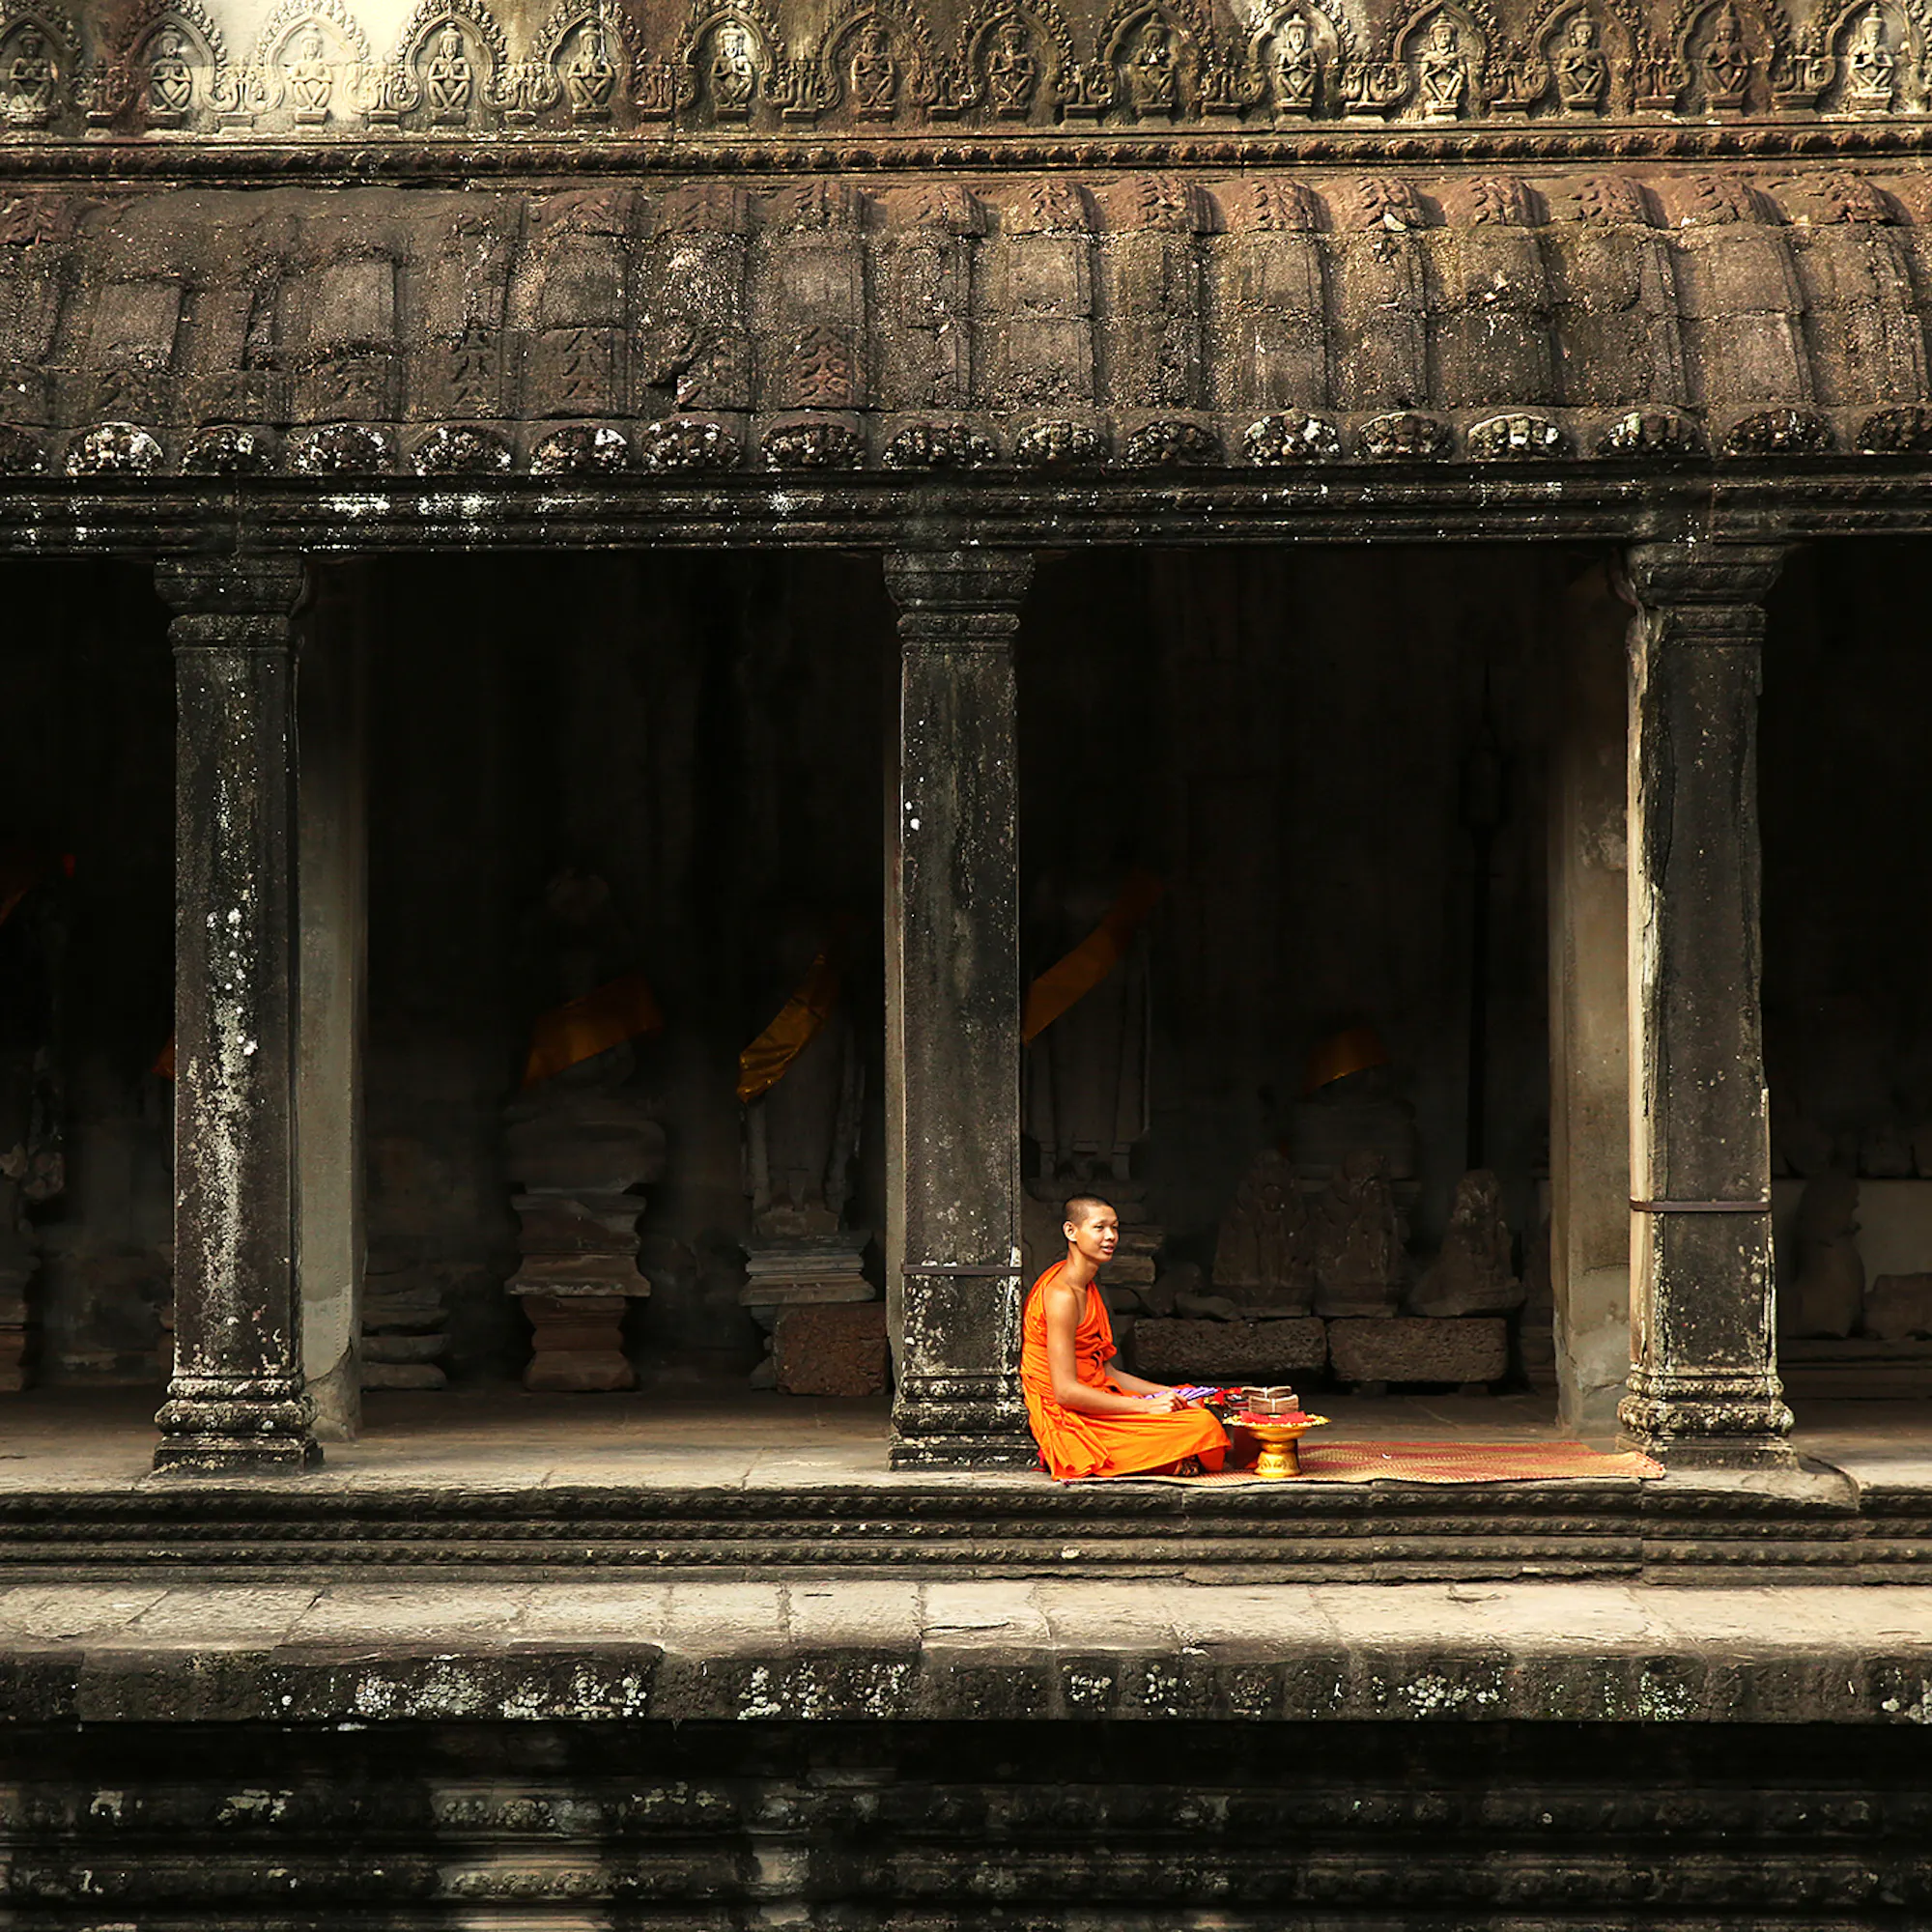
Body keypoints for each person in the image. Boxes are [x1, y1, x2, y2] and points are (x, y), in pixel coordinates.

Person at [1021, 1194, 1231, 1479]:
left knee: (1198, 1403)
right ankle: (1167, 1457)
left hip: (1097, 1395)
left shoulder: (1089, 1288)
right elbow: (1066, 1392)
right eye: (1100, 1228)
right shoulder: (1061, 1296)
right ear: (1071, 1231)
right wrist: (1145, 1407)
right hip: (1073, 1415)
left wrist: (1169, 1394)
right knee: (1202, 1426)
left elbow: (1105, 1371)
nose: (1110, 1237)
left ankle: (1173, 1457)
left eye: (1115, 1228)